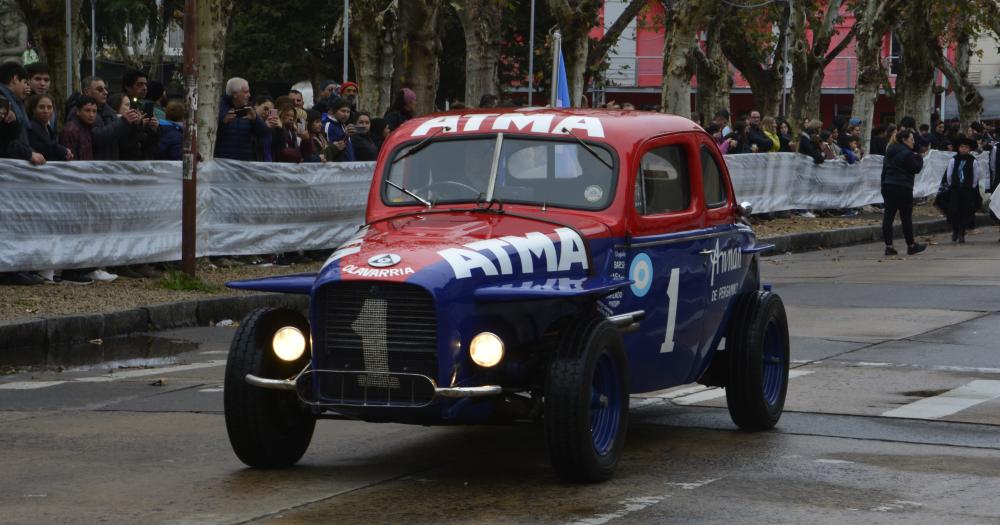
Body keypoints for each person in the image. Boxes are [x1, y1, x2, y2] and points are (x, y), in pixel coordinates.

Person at [881, 129, 927, 256]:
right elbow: (915, 168)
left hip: (888, 186)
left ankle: (889, 246)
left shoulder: (889, 152)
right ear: (904, 140)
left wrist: (883, 186)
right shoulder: (907, 153)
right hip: (903, 187)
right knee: (906, 217)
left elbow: (884, 171)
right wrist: (919, 157)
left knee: (888, 217)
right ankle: (911, 245)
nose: (913, 141)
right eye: (911, 139)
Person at [938, 137, 983, 243]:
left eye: (966, 147)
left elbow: (976, 175)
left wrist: (972, 186)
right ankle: (955, 229)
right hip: (955, 189)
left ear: (969, 149)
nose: (963, 149)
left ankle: (962, 232)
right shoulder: (954, 160)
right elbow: (949, 174)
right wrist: (951, 185)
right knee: (954, 211)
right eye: (962, 147)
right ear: (958, 148)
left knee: (965, 211)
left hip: (967, 190)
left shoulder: (973, 161)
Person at [215, 77, 270, 161]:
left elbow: (265, 135)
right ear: (234, 94)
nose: (249, 95)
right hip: (222, 165)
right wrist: (223, 122)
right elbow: (207, 134)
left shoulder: (249, 109)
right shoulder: (216, 108)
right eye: (245, 92)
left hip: (244, 165)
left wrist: (255, 120)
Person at [0, 61, 45, 165]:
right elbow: (6, 140)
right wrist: (29, 154)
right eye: (25, 82)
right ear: (15, 79)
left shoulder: (13, 101)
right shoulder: (3, 103)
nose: (26, 87)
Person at [26, 93, 71, 161]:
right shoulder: (31, 127)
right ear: (34, 109)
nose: (46, 111)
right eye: (41, 107)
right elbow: (45, 147)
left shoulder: (49, 128)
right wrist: (64, 151)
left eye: (49, 107)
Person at [59, 95, 98, 160]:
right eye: (87, 110)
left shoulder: (89, 127)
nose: (91, 115)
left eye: (94, 111)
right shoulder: (70, 131)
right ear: (78, 111)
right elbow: (69, 159)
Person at [323, 97, 355, 161]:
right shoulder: (328, 125)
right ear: (334, 111)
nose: (346, 114)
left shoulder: (342, 124)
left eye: (348, 112)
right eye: (343, 111)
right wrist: (345, 135)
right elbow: (333, 147)